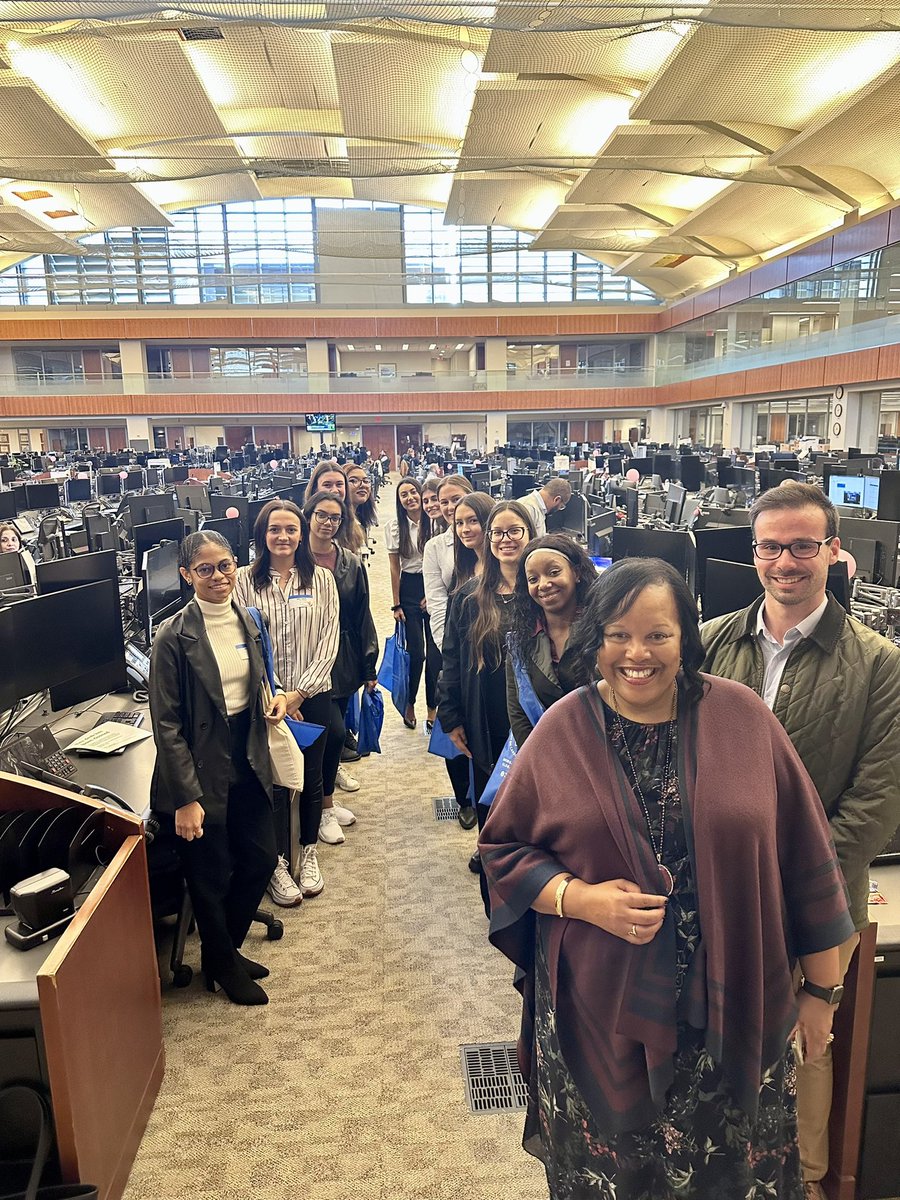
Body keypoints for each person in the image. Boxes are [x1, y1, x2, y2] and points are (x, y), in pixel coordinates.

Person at [480, 557, 855, 1200]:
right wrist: (582, 899)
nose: (637, 653)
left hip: (733, 1006)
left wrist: (823, 994)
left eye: (658, 634)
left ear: (687, 637)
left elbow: (807, 861)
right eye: (618, 635)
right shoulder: (562, 731)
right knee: (616, 1178)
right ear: (595, 639)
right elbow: (503, 853)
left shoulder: (742, 718)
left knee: (728, 1175)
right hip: (599, 1012)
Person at [700, 480, 900, 1200]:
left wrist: (787, 888)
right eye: (771, 546)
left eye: (802, 545)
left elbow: (876, 805)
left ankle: (802, 1182)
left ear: (833, 550)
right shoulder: (708, 642)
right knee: (711, 1038)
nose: (786, 561)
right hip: (713, 894)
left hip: (814, 908)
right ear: (754, 552)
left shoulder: (880, 663)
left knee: (805, 1055)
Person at [149, 531, 289, 1006]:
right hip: (198, 765)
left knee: (261, 858)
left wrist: (268, 704)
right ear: (187, 575)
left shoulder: (248, 619)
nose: (219, 577)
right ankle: (224, 962)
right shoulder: (172, 637)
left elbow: (256, 679)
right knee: (210, 875)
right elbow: (166, 726)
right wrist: (186, 799)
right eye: (205, 569)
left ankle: (219, 951)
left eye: (226, 566)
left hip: (246, 753)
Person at [233, 499, 339, 905]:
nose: (283, 536)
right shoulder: (243, 581)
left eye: (290, 529)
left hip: (311, 695)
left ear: (301, 533)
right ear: (262, 534)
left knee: (310, 778)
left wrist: (299, 693)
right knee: (272, 781)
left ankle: (307, 850)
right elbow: (243, 641)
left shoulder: (321, 580)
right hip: (264, 699)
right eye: (274, 529)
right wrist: (275, 693)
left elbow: (330, 640)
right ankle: (276, 861)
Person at [438, 500, 535, 899]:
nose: (505, 539)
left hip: (535, 716)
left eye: (515, 531)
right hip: (486, 712)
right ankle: (497, 879)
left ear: (530, 534)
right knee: (492, 799)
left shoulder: (543, 590)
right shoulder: (469, 597)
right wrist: (451, 716)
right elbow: (452, 659)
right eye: (498, 532)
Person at [302, 489, 379, 845]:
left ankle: (324, 807)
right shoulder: (295, 557)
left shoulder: (349, 562)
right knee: (329, 735)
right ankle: (320, 808)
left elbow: (364, 615)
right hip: (306, 659)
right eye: (322, 515)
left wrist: (369, 667)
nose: (328, 523)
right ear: (309, 515)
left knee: (334, 739)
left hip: (344, 660)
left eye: (335, 518)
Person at [506, 534, 596, 747]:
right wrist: (540, 765)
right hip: (546, 755)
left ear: (576, 573)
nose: (544, 584)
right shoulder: (520, 640)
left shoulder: (603, 628)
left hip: (602, 754)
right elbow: (518, 714)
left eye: (554, 572)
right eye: (533, 579)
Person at [385, 477, 436, 729]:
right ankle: (409, 702)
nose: (410, 498)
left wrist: (435, 592)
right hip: (410, 588)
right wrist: (396, 604)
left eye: (413, 492)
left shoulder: (435, 522)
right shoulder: (395, 526)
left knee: (436, 653)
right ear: (400, 501)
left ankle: (432, 708)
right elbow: (395, 568)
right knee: (417, 653)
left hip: (434, 584)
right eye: (404, 495)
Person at [306, 459, 365, 553]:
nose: (334, 490)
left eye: (339, 484)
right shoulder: (299, 523)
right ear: (314, 490)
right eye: (327, 485)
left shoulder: (354, 526)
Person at [343, 462, 378, 548]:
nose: (363, 485)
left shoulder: (361, 518)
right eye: (353, 481)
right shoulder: (340, 525)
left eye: (366, 481)